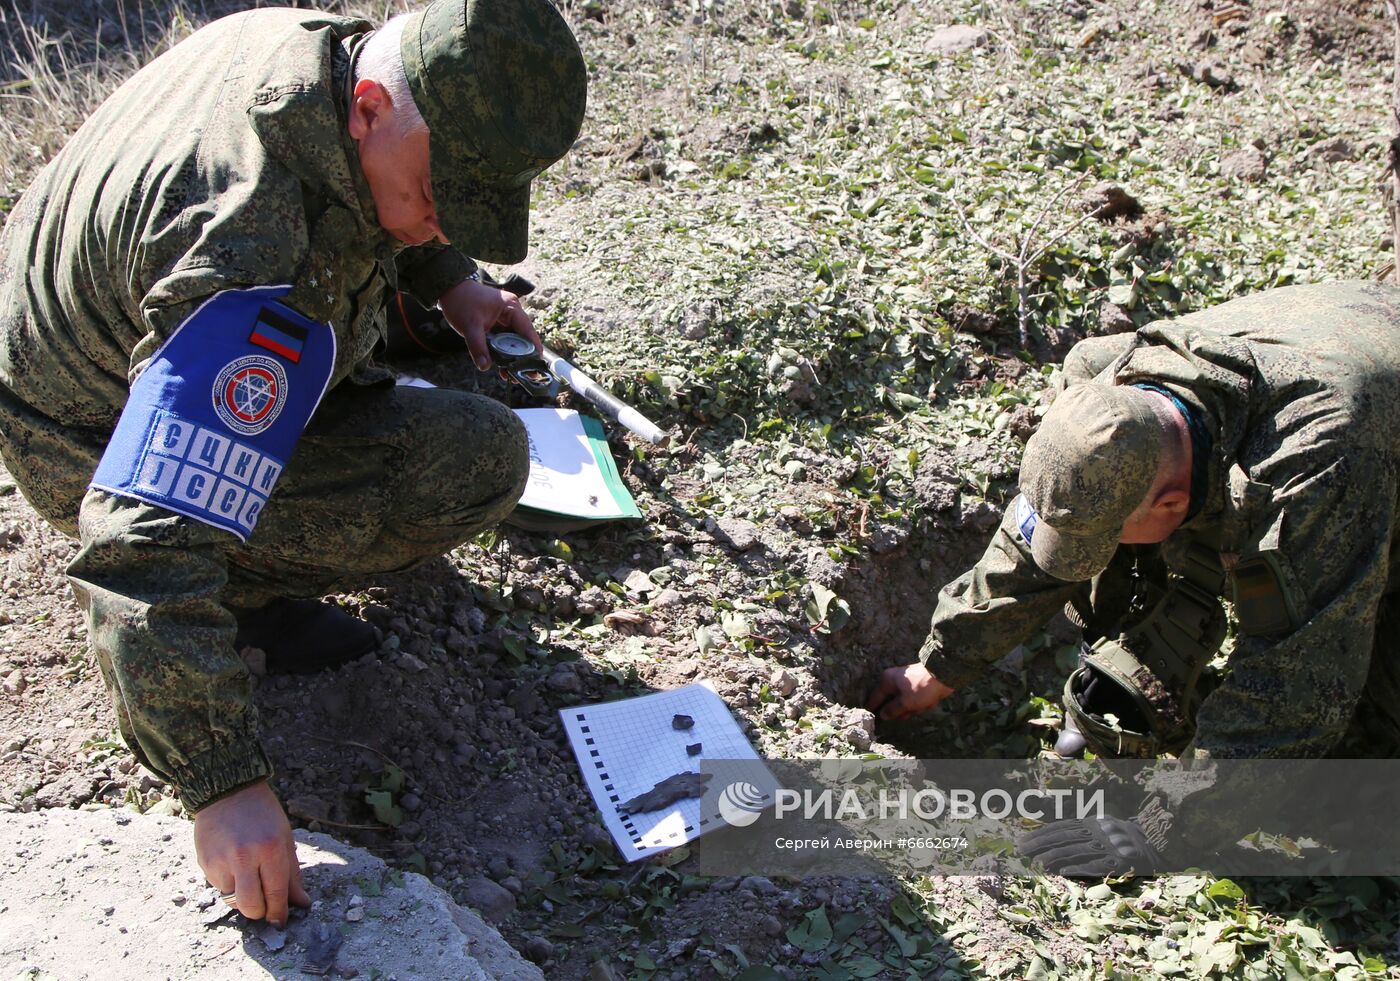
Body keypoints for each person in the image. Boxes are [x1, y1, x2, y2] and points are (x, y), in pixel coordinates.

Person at [0, 0, 586, 926]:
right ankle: (250, 595)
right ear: (365, 107)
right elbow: (140, 548)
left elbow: (397, 176)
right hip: (79, 430)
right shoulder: (252, 258)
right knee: (471, 460)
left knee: (387, 324)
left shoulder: (326, 54)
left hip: (64, 322)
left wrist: (450, 278)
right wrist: (221, 780)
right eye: (439, 199)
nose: (438, 224)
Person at [869, 281, 1400, 763]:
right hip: (1337, 336)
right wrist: (940, 666)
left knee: (1376, 713)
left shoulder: (1312, 468)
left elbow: (1293, 687)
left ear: (1171, 504)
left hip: (1373, 413)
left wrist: (1163, 827)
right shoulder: (1105, 389)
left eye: (1105, 536)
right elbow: (1041, 527)